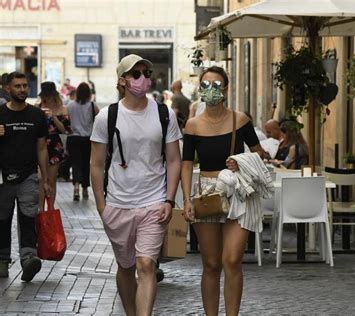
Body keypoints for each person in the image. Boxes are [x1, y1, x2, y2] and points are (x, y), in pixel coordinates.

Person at [90, 54, 181, 316]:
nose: (144, 79)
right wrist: (101, 206)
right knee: (126, 267)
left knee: (146, 264)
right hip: (117, 204)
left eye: (147, 73)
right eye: (136, 74)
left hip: (153, 202)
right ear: (123, 80)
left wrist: (169, 199)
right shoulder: (107, 117)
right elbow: (95, 164)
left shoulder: (164, 114)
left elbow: (174, 159)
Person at [181, 66, 266, 316]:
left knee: (231, 260)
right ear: (200, 89)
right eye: (205, 86)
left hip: (237, 192)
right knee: (210, 264)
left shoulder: (240, 120)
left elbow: (260, 153)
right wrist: (186, 199)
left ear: (226, 89)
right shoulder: (193, 125)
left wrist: (242, 160)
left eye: (216, 86)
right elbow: (186, 164)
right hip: (207, 193)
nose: (210, 91)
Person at [0, 71, 51, 281]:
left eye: (24, 86)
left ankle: (29, 258)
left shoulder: (37, 116)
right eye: (17, 86)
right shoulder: (0, 113)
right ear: (7, 89)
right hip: (2, 178)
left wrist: (45, 179)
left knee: (28, 217)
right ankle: (2, 260)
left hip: (29, 176)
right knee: (2, 219)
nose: (22, 89)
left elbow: (42, 149)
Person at [38, 82, 72, 211]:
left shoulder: (63, 108)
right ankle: (41, 208)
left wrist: (53, 117)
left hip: (54, 144)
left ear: (54, 95)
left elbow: (65, 130)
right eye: (45, 95)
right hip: (40, 143)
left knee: (52, 179)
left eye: (49, 95)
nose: (47, 98)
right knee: (41, 178)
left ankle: (51, 208)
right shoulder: (38, 107)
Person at [67, 82, 99, 201]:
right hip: (87, 139)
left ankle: (76, 188)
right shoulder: (92, 106)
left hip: (73, 138)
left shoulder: (70, 105)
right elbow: (99, 120)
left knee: (75, 163)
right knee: (86, 163)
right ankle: (85, 189)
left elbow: (66, 120)